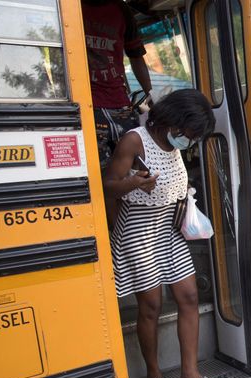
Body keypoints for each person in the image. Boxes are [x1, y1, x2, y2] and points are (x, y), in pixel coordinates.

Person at [103, 89, 224, 378]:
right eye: (189, 133)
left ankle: (189, 375)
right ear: (173, 121)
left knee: (188, 295)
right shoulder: (134, 140)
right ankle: (155, 375)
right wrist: (134, 183)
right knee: (152, 305)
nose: (190, 141)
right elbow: (108, 186)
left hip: (168, 229)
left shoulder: (174, 144)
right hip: (137, 230)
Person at [82, 0, 153, 226]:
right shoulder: (69, 7)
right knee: (106, 179)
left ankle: (132, 229)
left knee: (137, 171)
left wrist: (151, 95)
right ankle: (117, 234)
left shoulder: (121, 11)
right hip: (88, 108)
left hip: (121, 105)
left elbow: (136, 57)